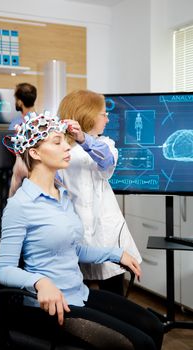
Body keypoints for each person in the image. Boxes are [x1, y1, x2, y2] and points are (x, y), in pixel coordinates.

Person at [0, 112, 163, 350]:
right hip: (52, 306)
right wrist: (40, 282)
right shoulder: (20, 205)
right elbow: (4, 269)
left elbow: (73, 248)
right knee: (140, 344)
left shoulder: (62, 194)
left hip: (79, 293)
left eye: (65, 140)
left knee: (153, 325)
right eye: (57, 142)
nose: (67, 146)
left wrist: (116, 254)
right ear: (34, 153)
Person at [57, 89, 142, 295]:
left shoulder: (105, 144)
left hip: (106, 231)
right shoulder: (58, 146)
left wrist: (82, 138)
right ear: (87, 114)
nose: (107, 117)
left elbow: (106, 160)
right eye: (103, 113)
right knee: (77, 290)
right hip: (72, 227)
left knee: (112, 289)